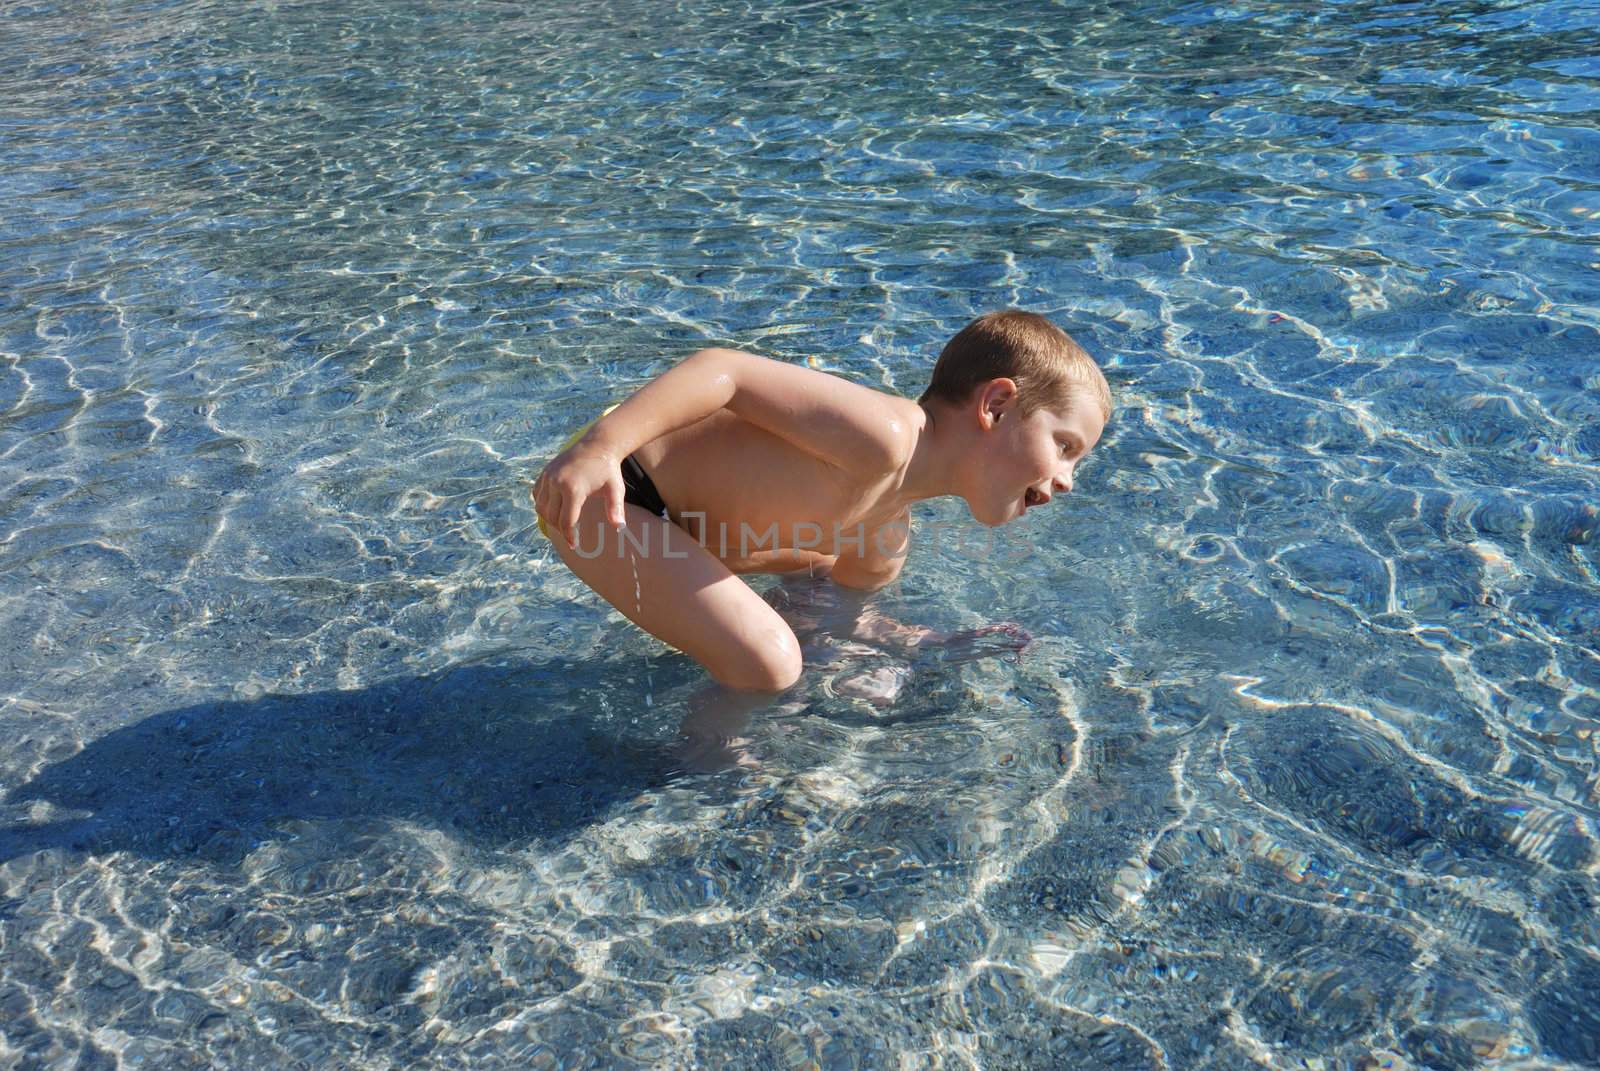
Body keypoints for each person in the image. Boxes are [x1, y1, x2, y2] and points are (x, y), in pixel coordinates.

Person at [531, 309, 1110, 698]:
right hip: (608, 495)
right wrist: (599, 449)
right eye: (1065, 447)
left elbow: (842, 612)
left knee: (823, 583)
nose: (1067, 480)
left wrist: (913, 642)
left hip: (686, 527)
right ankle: (701, 770)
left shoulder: (886, 534)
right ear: (997, 405)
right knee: (771, 663)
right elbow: (722, 370)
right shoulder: (882, 434)